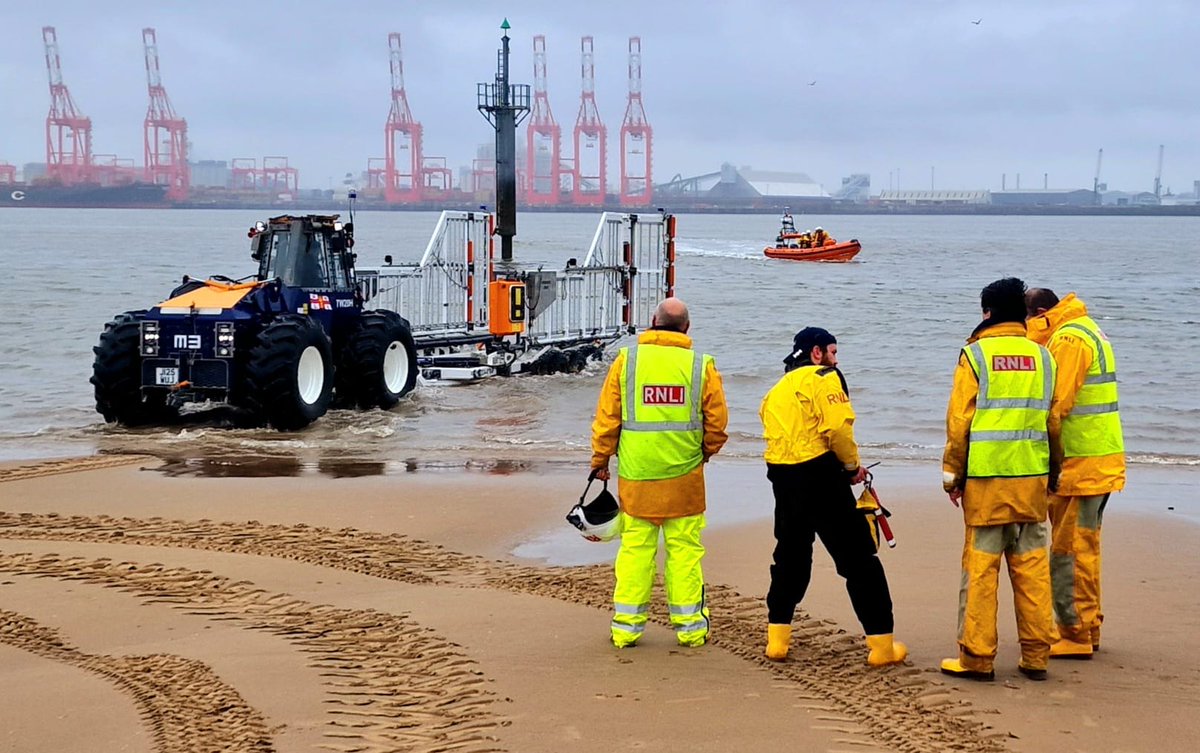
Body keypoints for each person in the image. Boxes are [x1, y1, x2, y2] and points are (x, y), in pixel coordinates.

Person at [758, 327, 907, 666]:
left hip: (782, 479)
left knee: (790, 559)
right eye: (833, 352)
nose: (836, 359)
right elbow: (838, 428)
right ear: (816, 353)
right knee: (859, 561)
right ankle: (882, 646)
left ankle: (777, 641)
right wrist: (853, 466)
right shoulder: (826, 377)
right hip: (821, 477)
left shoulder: (776, 390)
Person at [590, 297, 729, 648]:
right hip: (685, 478)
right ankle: (691, 631)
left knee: (635, 551)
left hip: (637, 477)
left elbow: (608, 418)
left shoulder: (627, 361)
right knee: (684, 552)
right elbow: (717, 424)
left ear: (652, 322)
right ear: (687, 328)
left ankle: (625, 630)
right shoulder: (700, 365)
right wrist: (704, 454)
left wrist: (600, 459)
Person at [942, 277, 1058, 681]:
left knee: (981, 571)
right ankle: (1037, 656)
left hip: (988, 483)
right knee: (1031, 571)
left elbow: (961, 423)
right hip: (1032, 481)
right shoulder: (1044, 357)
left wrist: (952, 476)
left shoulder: (975, 356)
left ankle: (976, 658)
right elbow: (1053, 422)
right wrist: (1054, 474)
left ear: (987, 313)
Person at [1026, 288, 1125, 659]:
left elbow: (1056, 406)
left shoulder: (1067, 339)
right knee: (1084, 549)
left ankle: (1075, 632)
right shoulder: (1085, 328)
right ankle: (1090, 626)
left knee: (1069, 552)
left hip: (1080, 465)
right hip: (1096, 462)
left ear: (1038, 312)